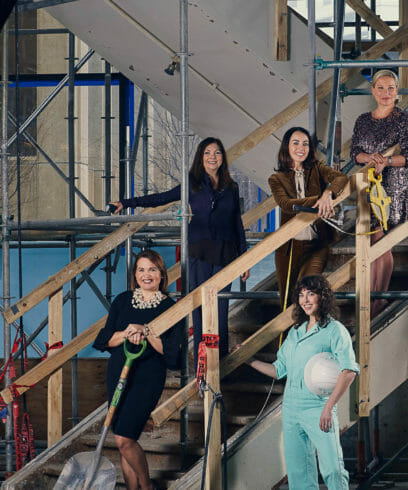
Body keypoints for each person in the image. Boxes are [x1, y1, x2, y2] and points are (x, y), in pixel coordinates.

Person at [110, 137, 249, 361]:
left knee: (220, 311)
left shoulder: (231, 188)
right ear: (200, 157)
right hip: (198, 253)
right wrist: (127, 203)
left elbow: (237, 225)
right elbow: (161, 198)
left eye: (217, 153)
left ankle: (220, 365)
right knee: (201, 309)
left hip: (225, 255)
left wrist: (244, 260)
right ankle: (201, 367)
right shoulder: (192, 183)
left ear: (223, 158)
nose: (212, 157)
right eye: (207, 153)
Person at [243, 275, 359, 489]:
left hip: (319, 407)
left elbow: (349, 371)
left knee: (333, 469)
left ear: (322, 298)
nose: (305, 300)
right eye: (301, 295)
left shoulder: (335, 331)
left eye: (311, 294)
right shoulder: (295, 332)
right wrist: (249, 360)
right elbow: (278, 370)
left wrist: (329, 406)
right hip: (292, 409)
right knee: (299, 474)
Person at [92, 250, 185, 490]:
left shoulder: (170, 308)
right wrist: (125, 333)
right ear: (135, 274)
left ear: (161, 275)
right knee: (125, 439)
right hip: (118, 373)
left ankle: (147, 487)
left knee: (124, 439)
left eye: (152, 269)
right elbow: (104, 340)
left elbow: (172, 353)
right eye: (141, 269)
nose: (147, 275)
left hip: (147, 377)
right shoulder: (122, 301)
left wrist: (147, 332)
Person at [350, 69, 408, 318]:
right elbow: (354, 152)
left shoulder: (403, 120)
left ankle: (379, 298)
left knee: (382, 241)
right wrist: (369, 158)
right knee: (370, 240)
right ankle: (372, 297)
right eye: (381, 87)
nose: (386, 93)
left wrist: (386, 161)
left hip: (392, 186)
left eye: (391, 88)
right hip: (368, 185)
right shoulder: (362, 120)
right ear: (373, 90)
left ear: (397, 92)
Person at [268, 127, 348, 309]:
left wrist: (328, 193)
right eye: (295, 143)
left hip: (316, 245)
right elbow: (286, 204)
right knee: (288, 303)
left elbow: (341, 178)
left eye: (305, 144)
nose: (300, 148)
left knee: (307, 290)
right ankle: (293, 337)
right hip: (288, 250)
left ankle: (311, 334)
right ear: (286, 147)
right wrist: (319, 199)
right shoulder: (276, 178)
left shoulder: (317, 168)